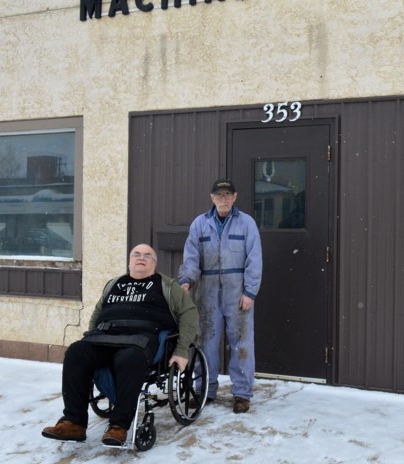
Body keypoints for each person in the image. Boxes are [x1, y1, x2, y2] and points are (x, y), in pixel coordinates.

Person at [42, 243, 199, 446]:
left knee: (129, 359)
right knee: (76, 352)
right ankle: (74, 422)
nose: (141, 257)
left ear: (154, 263)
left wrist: (181, 349)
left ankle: (118, 426)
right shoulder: (114, 283)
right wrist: (91, 336)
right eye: (137, 254)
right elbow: (97, 315)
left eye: (147, 255)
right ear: (129, 261)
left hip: (140, 341)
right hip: (104, 337)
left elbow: (189, 313)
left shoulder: (167, 286)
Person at [178, 178, 263, 414]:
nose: (223, 199)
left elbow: (254, 260)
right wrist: (186, 281)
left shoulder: (246, 223)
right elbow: (191, 258)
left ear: (234, 197)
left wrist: (250, 292)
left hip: (238, 293)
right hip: (207, 292)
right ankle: (206, 389)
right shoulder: (199, 224)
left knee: (242, 344)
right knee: (205, 342)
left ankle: (242, 394)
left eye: (227, 195)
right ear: (212, 198)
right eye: (219, 195)